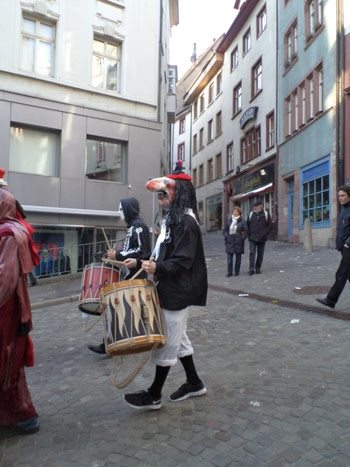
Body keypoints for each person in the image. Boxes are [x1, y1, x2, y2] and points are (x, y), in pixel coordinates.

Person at [124, 160, 208, 410]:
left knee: (168, 344)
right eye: (159, 195)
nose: (160, 200)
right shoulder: (174, 219)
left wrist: (158, 268)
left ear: (178, 193)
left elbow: (182, 261)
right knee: (179, 340)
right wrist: (141, 261)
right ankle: (194, 383)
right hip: (171, 288)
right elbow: (164, 254)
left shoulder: (186, 222)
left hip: (178, 291)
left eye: (164, 195)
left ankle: (154, 394)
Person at [87, 197, 151, 354]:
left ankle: (111, 343)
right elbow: (130, 249)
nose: (119, 212)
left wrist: (118, 254)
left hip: (136, 274)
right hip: (130, 274)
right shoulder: (131, 227)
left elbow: (144, 252)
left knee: (119, 307)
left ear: (129, 209)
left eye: (121, 209)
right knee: (125, 308)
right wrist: (115, 253)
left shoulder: (139, 226)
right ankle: (121, 341)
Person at [0, 189, 40, 434]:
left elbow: (4, 279)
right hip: (10, 308)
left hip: (7, 310)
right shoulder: (9, 230)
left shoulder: (8, 234)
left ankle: (20, 416)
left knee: (7, 363)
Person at [316, 185, 350, 309]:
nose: (340, 198)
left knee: (341, 274)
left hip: (349, 248)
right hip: (344, 247)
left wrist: (348, 243)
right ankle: (331, 300)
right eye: (339, 195)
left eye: (343, 195)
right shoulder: (343, 209)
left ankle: (331, 299)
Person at [246, 200, 272, 276]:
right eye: (254, 208)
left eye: (256, 208)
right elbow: (247, 224)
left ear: (261, 206)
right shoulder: (251, 214)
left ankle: (258, 268)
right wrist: (249, 234)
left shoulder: (266, 214)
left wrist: (265, 234)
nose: (255, 209)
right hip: (252, 237)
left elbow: (269, 225)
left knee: (260, 254)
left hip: (262, 238)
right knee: (252, 253)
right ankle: (251, 269)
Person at [223, 206, 248, 277]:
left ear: (239, 212)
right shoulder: (228, 220)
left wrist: (241, 238)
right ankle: (229, 272)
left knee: (238, 258)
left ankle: (237, 272)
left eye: (236, 211)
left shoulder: (242, 221)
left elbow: (246, 231)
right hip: (229, 242)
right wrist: (226, 236)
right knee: (229, 259)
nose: (235, 212)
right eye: (234, 211)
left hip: (238, 242)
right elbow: (225, 230)